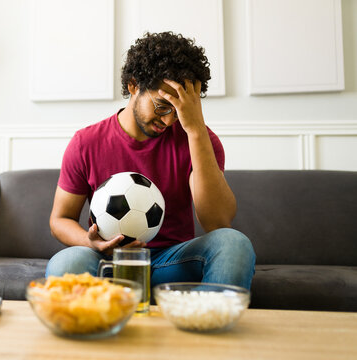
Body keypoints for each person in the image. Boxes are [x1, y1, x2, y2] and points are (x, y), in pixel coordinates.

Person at [46, 32, 256, 290]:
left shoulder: (200, 140)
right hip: (109, 260)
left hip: (172, 261)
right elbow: (60, 220)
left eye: (178, 111)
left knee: (233, 243)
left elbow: (217, 222)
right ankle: (97, 324)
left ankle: (204, 323)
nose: (168, 121)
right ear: (134, 85)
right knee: (65, 264)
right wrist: (93, 243)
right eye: (162, 106)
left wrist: (195, 130)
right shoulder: (86, 143)